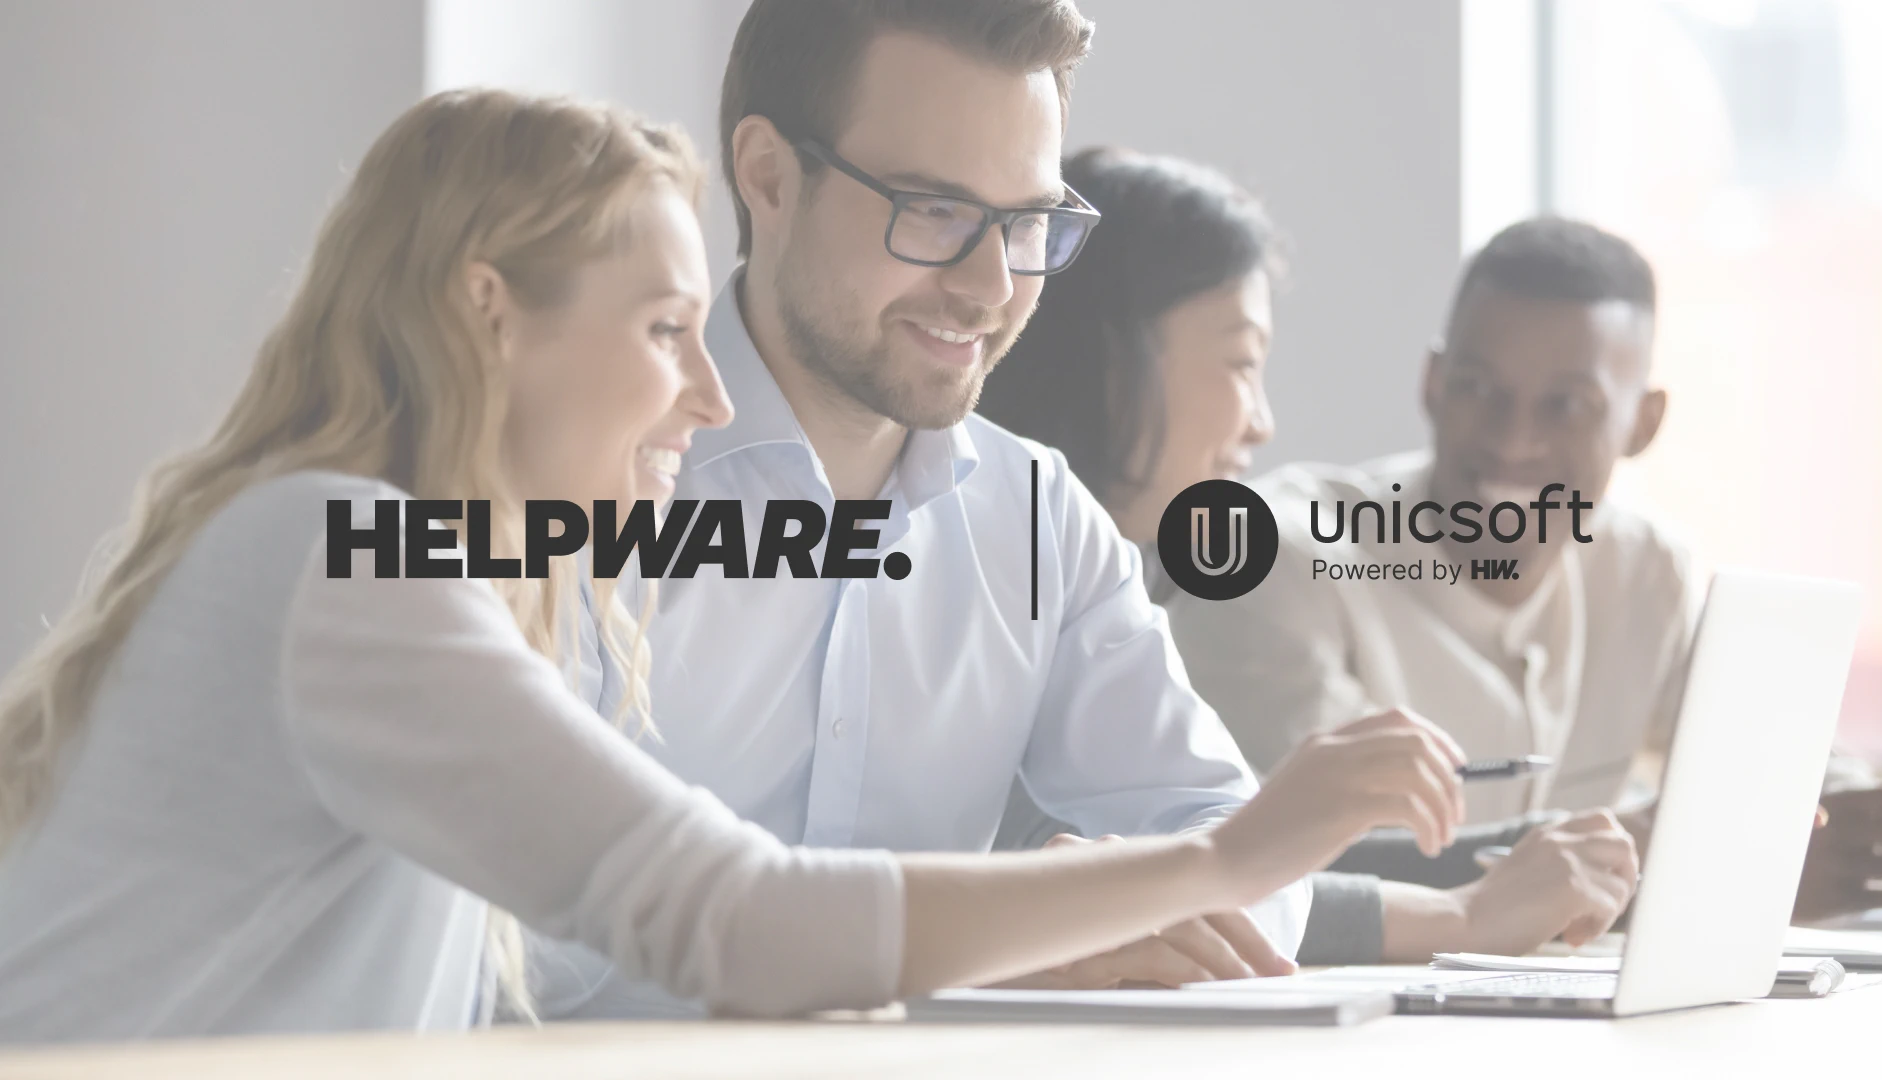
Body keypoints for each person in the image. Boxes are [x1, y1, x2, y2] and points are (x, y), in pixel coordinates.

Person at [0, 89, 1471, 1043]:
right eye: (661, 331)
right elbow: (740, 919)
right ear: (487, 314)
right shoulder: (342, 560)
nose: (710, 400)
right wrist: (1228, 857)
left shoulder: (414, 563)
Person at [517, 0, 1396, 1014]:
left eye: (1026, 222)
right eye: (931, 210)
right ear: (767, 177)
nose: (989, 286)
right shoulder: (567, 489)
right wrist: (982, 939)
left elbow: (1234, 845)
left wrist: (1099, 912)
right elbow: (510, 948)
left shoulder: (1037, 519)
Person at [980, 148, 1640, 965]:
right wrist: (1465, 916)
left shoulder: (1113, 581)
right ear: (1116, 357)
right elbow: (1175, 876)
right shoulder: (982, 571)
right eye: (1243, 363)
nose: (1262, 422)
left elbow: (1208, 862)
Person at [1163, 215, 1882, 922]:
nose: (1511, 440)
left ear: (1643, 423)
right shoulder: (1272, 562)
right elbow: (1339, 864)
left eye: (1567, 406)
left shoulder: (1644, 574)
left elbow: (1783, 759)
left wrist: (1854, 827)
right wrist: (1714, 864)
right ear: (1432, 383)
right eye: (1477, 389)